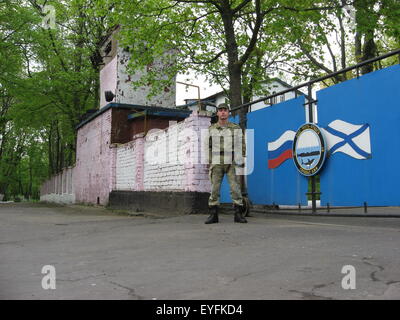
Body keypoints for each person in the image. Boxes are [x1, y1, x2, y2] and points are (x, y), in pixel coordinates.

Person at [205, 103, 247, 224]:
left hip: (231, 160)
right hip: (216, 160)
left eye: (225, 110)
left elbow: (241, 144)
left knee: (235, 187)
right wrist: (209, 160)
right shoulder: (211, 129)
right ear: (217, 113)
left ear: (228, 113)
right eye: (220, 110)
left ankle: (238, 214)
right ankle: (213, 215)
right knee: (214, 188)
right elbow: (207, 146)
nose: (223, 112)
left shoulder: (235, 128)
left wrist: (240, 158)